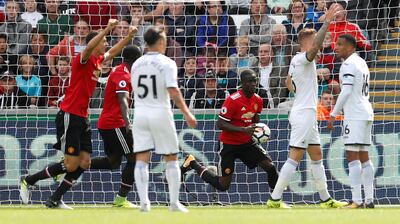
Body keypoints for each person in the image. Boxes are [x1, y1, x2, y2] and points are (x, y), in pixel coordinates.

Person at [20, 19, 138, 209]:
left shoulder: (98, 61)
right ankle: (28, 180)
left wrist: (129, 37)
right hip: (69, 114)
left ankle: (54, 199)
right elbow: (89, 45)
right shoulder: (82, 59)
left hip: (82, 117)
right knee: (71, 164)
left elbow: (114, 51)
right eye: (104, 40)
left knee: (84, 162)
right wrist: (107, 28)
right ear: (96, 42)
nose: (107, 43)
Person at [266, 5, 347, 208]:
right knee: (295, 156)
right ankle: (274, 199)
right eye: (315, 42)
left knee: (317, 156)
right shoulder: (303, 58)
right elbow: (312, 50)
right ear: (307, 43)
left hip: (306, 111)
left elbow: (288, 83)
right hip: (304, 114)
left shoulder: (297, 61)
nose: (319, 45)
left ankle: (325, 199)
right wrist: (326, 22)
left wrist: (300, 90)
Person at [131, 27, 197, 212]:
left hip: (140, 114)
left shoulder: (137, 63)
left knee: (142, 158)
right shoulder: (167, 63)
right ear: (160, 42)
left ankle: (144, 203)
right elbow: (173, 90)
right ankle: (174, 203)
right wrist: (186, 112)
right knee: (171, 157)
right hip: (160, 112)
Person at [181, 69, 279, 193]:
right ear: (243, 83)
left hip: (247, 143)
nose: (253, 84)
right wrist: (243, 129)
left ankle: (276, 199)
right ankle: (193, 163)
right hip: (229, 144)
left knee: (270, 167)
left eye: (255, 81)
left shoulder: (258, 100)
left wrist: (259, 131)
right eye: (250, 81)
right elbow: (220, 124)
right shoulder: (233, 100)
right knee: (223, 185)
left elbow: (255, 119)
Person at [90, 45, 142, 208]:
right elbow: (122, 100)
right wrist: (128, 124)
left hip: (108, 123)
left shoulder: (122, 71)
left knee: (113, 162)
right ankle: (121, 199)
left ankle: (71, 164)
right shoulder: (122, 74)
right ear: (136, 60)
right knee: (135, 158)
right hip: (115, 123)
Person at [328, 34, 375, 209]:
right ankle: (369, 200)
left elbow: (346, 91)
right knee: (364, 156)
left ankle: (356, 200)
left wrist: (333, 113)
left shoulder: (348, 64)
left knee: (352, 156)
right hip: (366, 111)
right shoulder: (361, 62)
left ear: (350, 47)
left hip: (354, 114)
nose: (336, 47)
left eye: (340, 44)